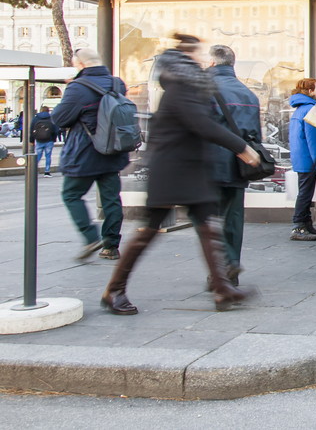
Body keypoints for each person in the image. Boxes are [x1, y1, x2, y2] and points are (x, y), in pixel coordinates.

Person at [100, 34, 261, 315]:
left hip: (189, 169)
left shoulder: (187, 84)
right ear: (185, 57)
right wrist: (241, 147)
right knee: (149, 232)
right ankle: (114, 290)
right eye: (196, 53)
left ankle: (223, 289)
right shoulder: (181, 87)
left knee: (208, 229)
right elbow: (201, 124)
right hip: (173, 170)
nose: (201, 58)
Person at [51, 48, 131, 261]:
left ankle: (90, 237)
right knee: (112, 199)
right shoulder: (117, 83)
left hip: (85, 152)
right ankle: (111, 246)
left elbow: (60, 119)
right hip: (113, 150)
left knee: (71, 194)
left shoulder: (77, 88)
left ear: (80, 65)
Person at [208, 44, 263, 285]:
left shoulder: (204, 90)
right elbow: (255, 137)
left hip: (209, 165)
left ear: (211, 63)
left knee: (208, 219)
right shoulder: (248, 94)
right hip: (239, 165)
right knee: (233, 218)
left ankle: (221, 268)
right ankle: (231, 268)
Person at [288, 78, 316, 241]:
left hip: (301, 157)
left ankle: (306, 223)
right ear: (310, 92)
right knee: (305, 194)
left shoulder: (300, 109)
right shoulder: (310, 110)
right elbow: (314, 139)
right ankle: (299, 226)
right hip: (308, 160)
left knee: (305, 192)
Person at [30, 105, 57, 177]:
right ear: (48, 111)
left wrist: (31, 140)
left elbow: (31, 129)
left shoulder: (36, 118)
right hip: (49, 140)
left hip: (39, 140)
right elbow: (56, 129)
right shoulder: (52, 118)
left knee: (38, 156)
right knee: (48, 156)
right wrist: (54, 139)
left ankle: (34, 171)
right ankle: (47, 172)